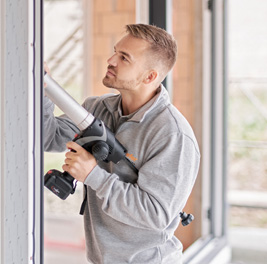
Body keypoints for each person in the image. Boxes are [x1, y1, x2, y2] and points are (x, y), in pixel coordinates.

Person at [44, 24, 200, 264]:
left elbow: (155, 214)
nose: (111, 60)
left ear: (150, 76)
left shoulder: (172, 135)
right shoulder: (97, 109)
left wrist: (93, 175)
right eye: (115, 52)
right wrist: (43, 90)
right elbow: (48, 137)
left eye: (124, 58)